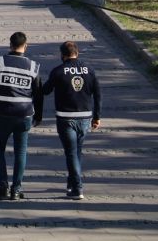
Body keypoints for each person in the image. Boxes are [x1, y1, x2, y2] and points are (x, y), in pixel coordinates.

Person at [0, 32, 43, 200]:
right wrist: (39, 115)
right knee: (20, 152)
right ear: (26, 45)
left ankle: (3, 186)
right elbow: (38, 94)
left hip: (3, 113)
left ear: (10, 44)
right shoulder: (33, 67)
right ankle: (16, 189)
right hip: (24, 115)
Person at [43, 41, 102, 200]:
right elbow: (97, 95)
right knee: (77, 152)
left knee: (71, 153)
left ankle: (77, 187)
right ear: (78, 53)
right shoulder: (89, 70)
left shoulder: (58, 71)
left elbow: (45, 91)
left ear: (62, 55)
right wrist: (96, 117)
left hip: (65, 118)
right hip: (85, 117)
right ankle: (71, 182)